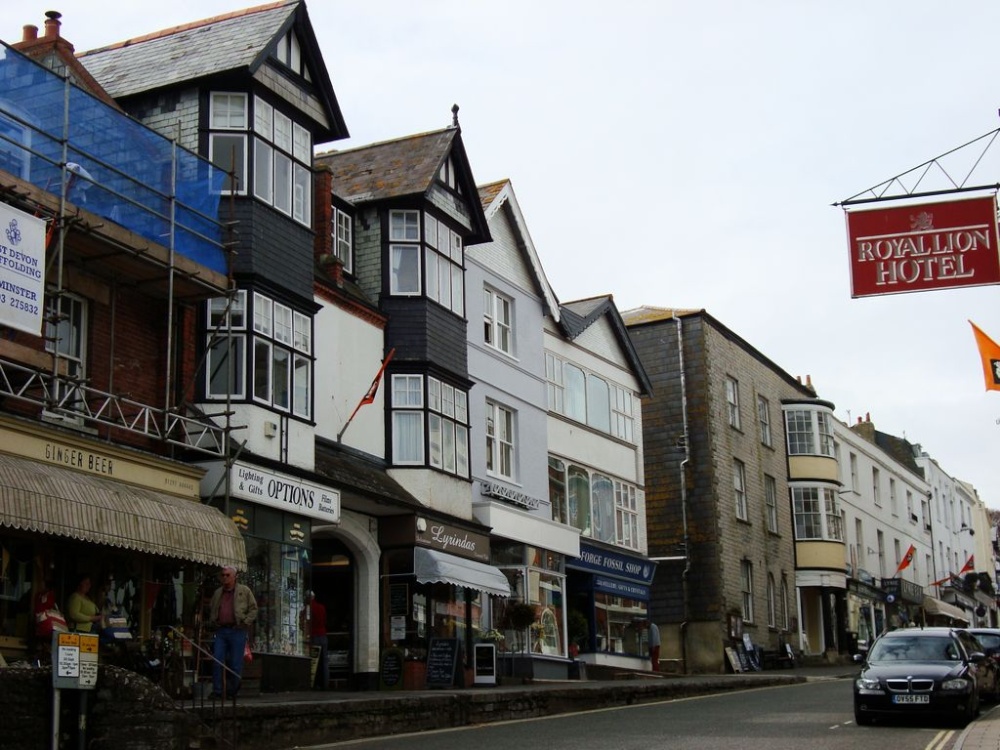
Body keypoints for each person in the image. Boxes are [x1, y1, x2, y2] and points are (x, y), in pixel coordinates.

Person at [208, 566, 258, 699]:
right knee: (217, 660)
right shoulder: (218, 592)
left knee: (236, 663)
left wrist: (245, 622)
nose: (225, 578)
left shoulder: (244, 591)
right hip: (221, 630)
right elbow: (212, 607)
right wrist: (214, 620)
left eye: (227, 575)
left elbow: (253, 609)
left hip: (237, 630)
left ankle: (232, 691)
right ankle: (217, 691)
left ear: (235, 576)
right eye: (223, 575)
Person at [300, 590, 329, 690]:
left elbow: (304, 623)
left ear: (308, 598)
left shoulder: (307, 608)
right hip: (323, 635)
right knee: (324, 661)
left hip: (314, 635)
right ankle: (325, 684)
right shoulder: (321, 607)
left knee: (313, 661)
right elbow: (325, 621)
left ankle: (312, 683)